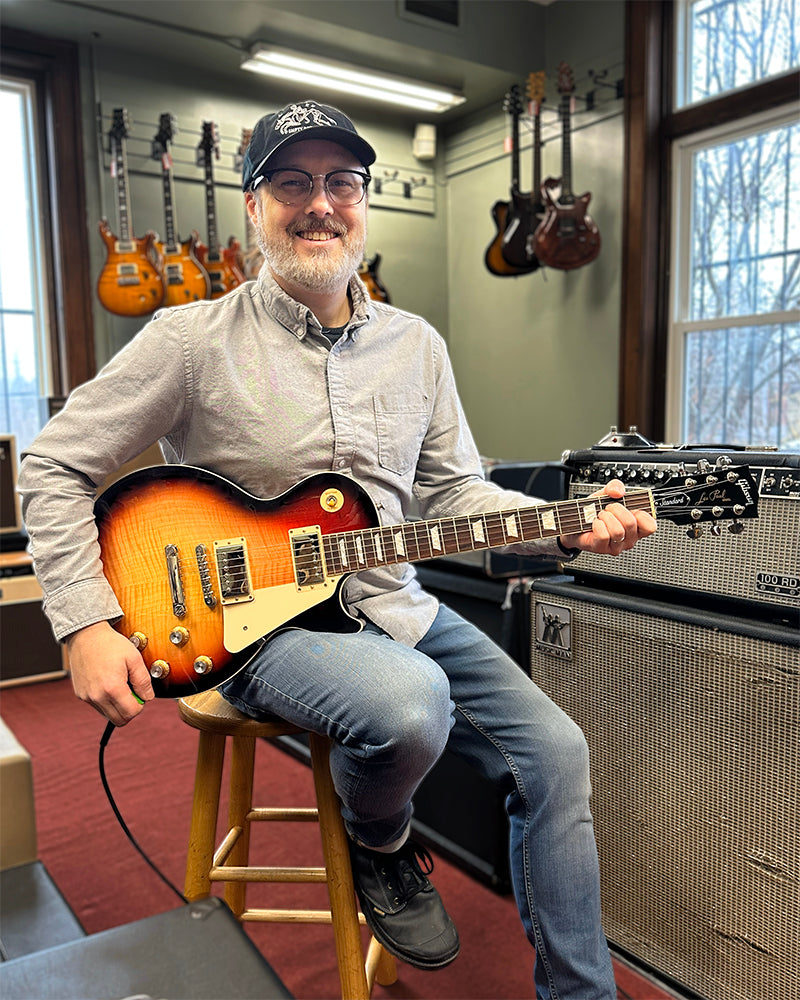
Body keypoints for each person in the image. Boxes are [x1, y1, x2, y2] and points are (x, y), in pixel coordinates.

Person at [18, 100, 656, 998]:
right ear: (254, 205)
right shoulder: (189, 342)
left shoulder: (416, 346)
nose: (320, 203)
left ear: (363, 202)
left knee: (557, 752)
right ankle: (380, 839)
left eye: (341, 183)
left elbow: (455, 494)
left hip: (396, 606)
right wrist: (84, 621)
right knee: (410, 703)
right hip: (255, 629)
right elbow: (51, 465)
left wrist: (563, 523)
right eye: (292, 182)